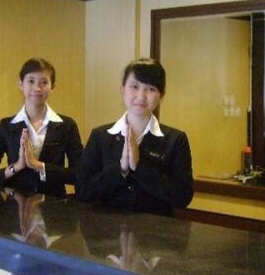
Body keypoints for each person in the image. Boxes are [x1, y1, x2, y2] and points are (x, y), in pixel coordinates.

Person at [76, 58, 193, 215]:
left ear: (161, 95)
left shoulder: (175, 140)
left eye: (151, 89)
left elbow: (183, 197)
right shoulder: (100, 136)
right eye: (134, 86)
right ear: (122, 89)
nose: (141, 95)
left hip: (156, 229)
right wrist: (121, 170)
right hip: (107, 229)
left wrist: (139, 167)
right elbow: (83, 191)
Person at [0, 58, 83, 197]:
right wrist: (17, 166)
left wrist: (39, 166)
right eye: (31, 81)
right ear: (21, 84)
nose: (37, 88)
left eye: (44, 82)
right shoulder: (5, 126)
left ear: (52, 87)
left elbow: (80, 174)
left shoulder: (67, 126)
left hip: (54, 206)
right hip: (16, 206)